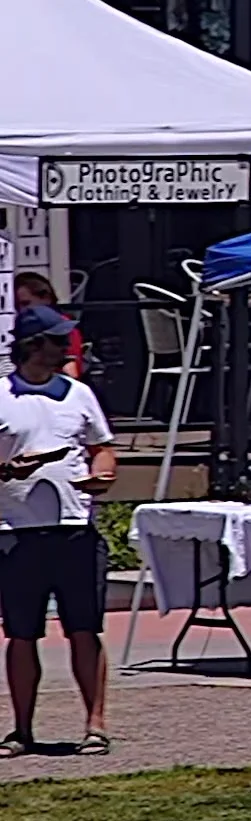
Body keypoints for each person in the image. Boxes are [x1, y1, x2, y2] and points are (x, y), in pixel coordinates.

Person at [0, 303, 116, 753]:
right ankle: (21, 730)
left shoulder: (78, 393)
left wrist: (102, 475)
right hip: (16, 530)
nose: (67, 346)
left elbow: (102, 447)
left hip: (75, 528)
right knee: (22, 633)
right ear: (34, 346)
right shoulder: (4, 395)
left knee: (84, 628)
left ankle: (96, 724)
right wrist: (8, 469)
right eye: (57, 340)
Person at [8, 274, 74, 376]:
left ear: (46, 298)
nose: (21, 310)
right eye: (17, 305)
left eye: (26, 303)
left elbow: (72, 371)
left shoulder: (65, 327)